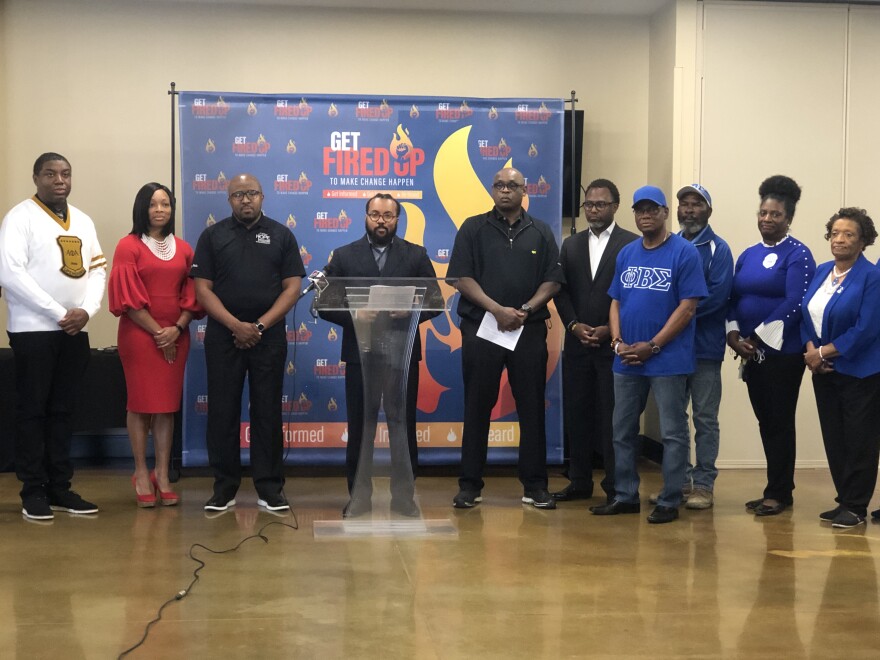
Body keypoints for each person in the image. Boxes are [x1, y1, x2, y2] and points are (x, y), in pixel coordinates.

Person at [589, 185, 707, 524]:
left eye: (652, 209)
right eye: (640, 210)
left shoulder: (684, 253)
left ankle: (670, 499)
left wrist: (653, 346)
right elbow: (615, 301)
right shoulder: (627, 253)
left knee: (672, 432)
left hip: (667, 359)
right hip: (625, 358)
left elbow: (687, 308)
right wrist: (617, 342)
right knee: (621, 430)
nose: (646, 215)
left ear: (665, 213)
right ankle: (625, 495)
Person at [447, 167, 563, 509]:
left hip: (527, 331)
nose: (505, 190)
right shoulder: (473, 228)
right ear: (492, 189)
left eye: (513, 185)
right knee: (477, 406)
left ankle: (535, 485)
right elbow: (460, 278)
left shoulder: (540, 231)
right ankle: (470, 485)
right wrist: (497, 310)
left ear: (525, 190)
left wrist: (524, 309)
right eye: (499, 185)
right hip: (482, 328)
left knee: (531, 409)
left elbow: (553, 281)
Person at [317, 193, 439, 518]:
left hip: (402, 354)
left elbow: (436, 300)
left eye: (388, 215)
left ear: (398, 219)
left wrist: (411, 310)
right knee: (361, 427)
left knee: (402, 426)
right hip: (361, 355)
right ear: (366, 217)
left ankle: (404, 499)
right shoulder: (344, 256)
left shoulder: (416, 255)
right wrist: (356, 314)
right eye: (375, 214)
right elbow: (324, 304)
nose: (381, 221)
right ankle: (358, 497)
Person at [0, 152, 107, 520]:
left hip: (75, 331)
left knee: (63, 411)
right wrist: (60, 313)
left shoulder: (83, 220)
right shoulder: (19, 218)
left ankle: (60, 487)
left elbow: (97, 271)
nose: (59, 180)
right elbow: (11, 275)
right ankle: (33, 490)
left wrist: (87, 311)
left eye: (65, 173)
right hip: (34, 330)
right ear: (36, 178)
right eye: (50, 174)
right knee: (33, 410)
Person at [192, 173, 304, 513]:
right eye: (238, 194)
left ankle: (269, 488)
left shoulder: (282, 235)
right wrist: (235, 326)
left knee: (267, 411)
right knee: (222, 412)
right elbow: (202, 289)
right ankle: (224, 488)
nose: (245, 199)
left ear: (262, 196)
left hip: (267, 336)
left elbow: (292, 287)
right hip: (223, 336)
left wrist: (257, 325)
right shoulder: (213, 236)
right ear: (228, 200)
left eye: (251, 193)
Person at [108, 183, 204, 507]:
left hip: (178, 333)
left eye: (165, 204)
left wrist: (176, 329)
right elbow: (128, 299)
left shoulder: (185, 248)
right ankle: (139, 471)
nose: (160, 210)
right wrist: (159, 332)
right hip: (139, 335)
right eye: (153, 204)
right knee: (140, 405)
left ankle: (162, 474)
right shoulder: (128, 246)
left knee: (166, 407)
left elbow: (193, 296)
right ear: (142, 208)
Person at [727, 175, 816, 517]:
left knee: (779, 421)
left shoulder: (799, 255)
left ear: (788, 218)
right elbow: (734, 299)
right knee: (766, 422)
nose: (767, 219)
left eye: (775, 214)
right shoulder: (747, 254)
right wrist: (734, 335)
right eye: (763, 213)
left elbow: (795, 302)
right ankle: (775, 488)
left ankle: (779, 492)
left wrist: (756, 338)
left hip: (783, 354)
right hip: (750, 353)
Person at [552, 179, 637, 504]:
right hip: (576, 345)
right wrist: (573, 325)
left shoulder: (631, 244)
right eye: (589, 204)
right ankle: (579, 481)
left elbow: (633, 297)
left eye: (600, 204)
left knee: (613, 418)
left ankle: (616, 486)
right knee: (577, 414)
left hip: (613, 346)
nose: (593, 210)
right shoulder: (570, 245)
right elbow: (561, 291)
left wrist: (607, 329)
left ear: (615, 206)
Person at [801, 208, 880, 528]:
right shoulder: (821, 271)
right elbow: (805, 315)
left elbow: (867, 328)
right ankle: (844, 499)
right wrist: (811, 350)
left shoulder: (872, 276)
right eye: (835, 233)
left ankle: (857, 506)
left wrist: (822, 352)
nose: (840, 239)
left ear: (863, 241)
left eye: (848, 234)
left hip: (860, 370)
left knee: (859, 440)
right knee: (834, 437)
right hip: (824, 370)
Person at [671, 184, 733, 509]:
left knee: (705, 419)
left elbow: (716, 298)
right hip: (670, 351)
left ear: (708, 210)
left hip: (705, 350)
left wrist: (675, 317)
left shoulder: (718, 249)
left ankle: (704, 484)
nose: (690, 209)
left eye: (697, 204)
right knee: (675, 419)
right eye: (685, 203)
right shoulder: (668, 245)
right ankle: (679, 483)